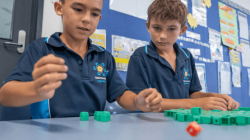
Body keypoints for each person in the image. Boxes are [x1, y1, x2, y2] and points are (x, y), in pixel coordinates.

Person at [0, 0, 162, 119]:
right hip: (50, 131)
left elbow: (120, 94)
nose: (86, 19)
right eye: (78, 9)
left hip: (95, 131)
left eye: (94, 13)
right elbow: (5, 95)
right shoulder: (41, 48)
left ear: (99, 19)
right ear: (59, 8)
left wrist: (137, 102)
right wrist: (36, 90)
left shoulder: (104, 57)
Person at [126, 0, 239, 111]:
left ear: (182, 30)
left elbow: (192, 94)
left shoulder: (187, 56)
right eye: (157, 28)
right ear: (148, 27)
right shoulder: (140, 56)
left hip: (183, 123)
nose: (163, 36)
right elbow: (143, 102)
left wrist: (216, 98)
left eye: (171, 29)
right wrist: (192, 104)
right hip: (152, 125)